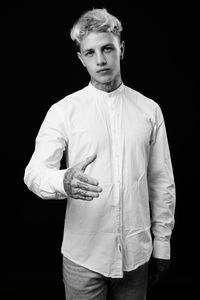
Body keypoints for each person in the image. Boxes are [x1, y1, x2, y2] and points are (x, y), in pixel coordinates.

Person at [24, 8, 176, 300]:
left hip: (137, 257)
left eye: (107, 49)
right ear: (81, 58)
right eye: (90, 52)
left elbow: (161, 182)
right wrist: (63, 180)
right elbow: (34, 173)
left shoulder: (149, 109)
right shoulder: (64, 111)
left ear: (121, 48)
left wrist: (163, 244)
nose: (101, 60)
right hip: (84, 256)